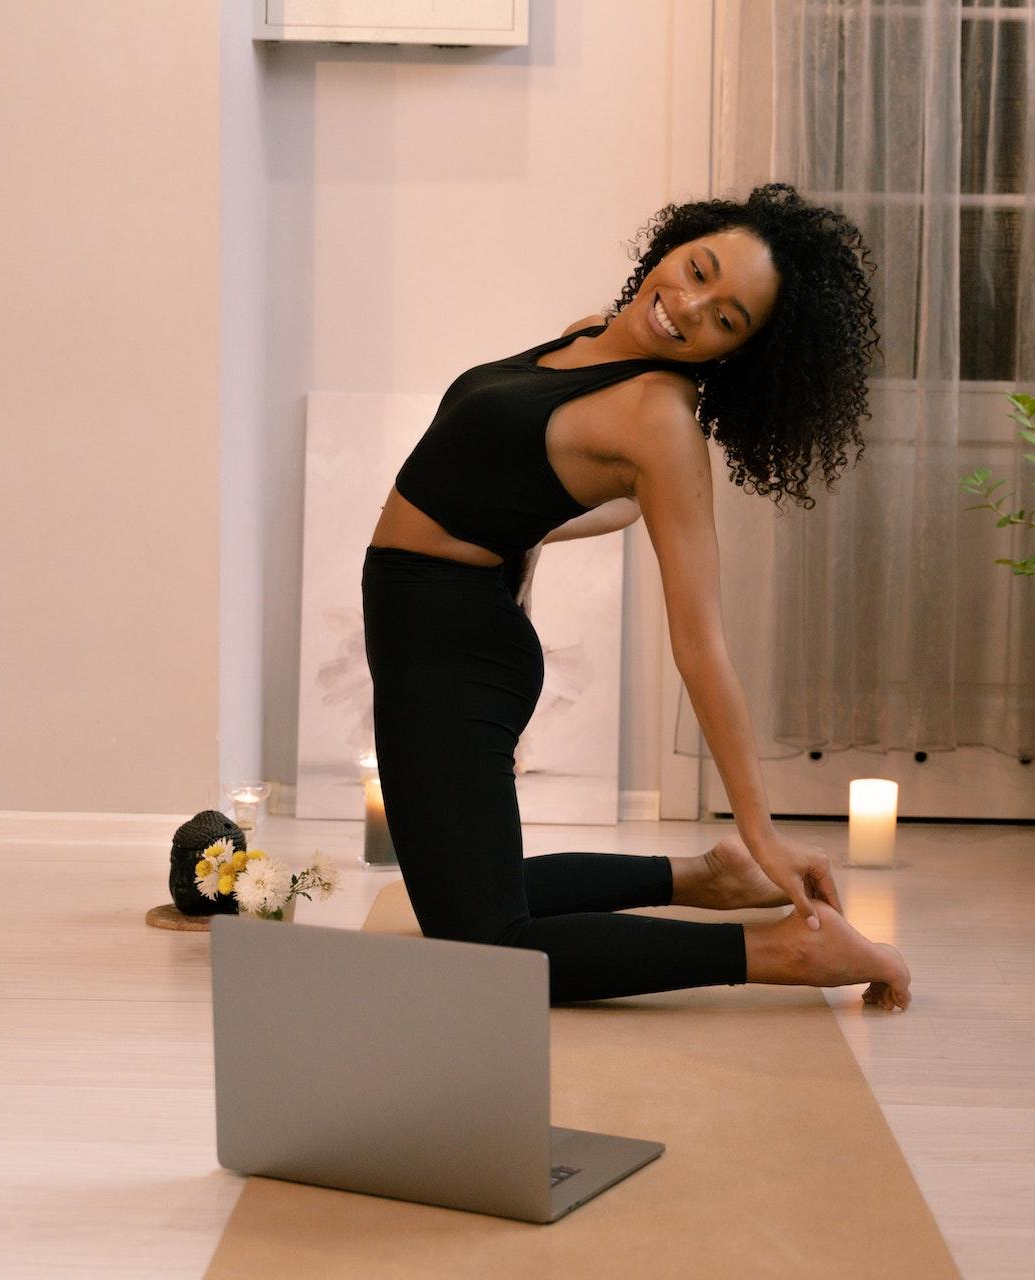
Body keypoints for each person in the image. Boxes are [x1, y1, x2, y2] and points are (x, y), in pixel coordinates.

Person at [363, 183, 910, 1011]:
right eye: (697, 270)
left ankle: (788, 952)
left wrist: (764, 830)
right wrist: (528, 549)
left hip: (452, 649)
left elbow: (702, 645)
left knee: (486, 949)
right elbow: (543, 486)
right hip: (437, 626)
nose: (688, 306)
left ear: (738, 353)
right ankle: (706, 878)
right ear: (674, 244)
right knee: (464, 902)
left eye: (726, 319)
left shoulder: (656, 419)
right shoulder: (593, 336)